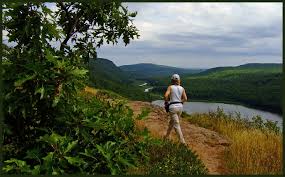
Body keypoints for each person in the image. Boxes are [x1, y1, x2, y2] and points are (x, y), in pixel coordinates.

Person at [163, 74, 188, 145]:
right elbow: (185, 99)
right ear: (179, 80)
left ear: (172, 80)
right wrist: (181, 102)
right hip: (180, 107)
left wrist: (166, 102)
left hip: (172, 107)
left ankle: (183, 142)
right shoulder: (182, 88)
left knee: (176, 124)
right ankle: (166, 137)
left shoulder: (170, 87)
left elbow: (166, 96)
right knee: (172, 122)